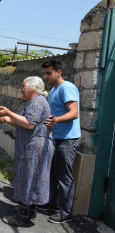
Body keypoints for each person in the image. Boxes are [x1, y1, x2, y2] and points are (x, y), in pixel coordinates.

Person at [0, 76, 55, 227]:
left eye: (23, 86)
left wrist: (8, 112)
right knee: (30, 178)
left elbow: (28, 124)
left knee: (28, 179)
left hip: (35, 148)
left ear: (33, 88)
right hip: (33, 147)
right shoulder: (35, 102)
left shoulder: (37, 102)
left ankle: (23, 217)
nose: (21, 89)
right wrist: (7, 118)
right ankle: (28, 210)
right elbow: (23, 122)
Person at [39, 59, 81, 224]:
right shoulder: (54, 89)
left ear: (59, 72)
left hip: (67, 139)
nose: (45, 76)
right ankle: (52, 204)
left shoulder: (67, 87)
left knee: (64, 176)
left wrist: (56, 120)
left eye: (49, 73)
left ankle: (65, 212)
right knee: (53, 173)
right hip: (56, 138)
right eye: (44, 73)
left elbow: (74, 113)